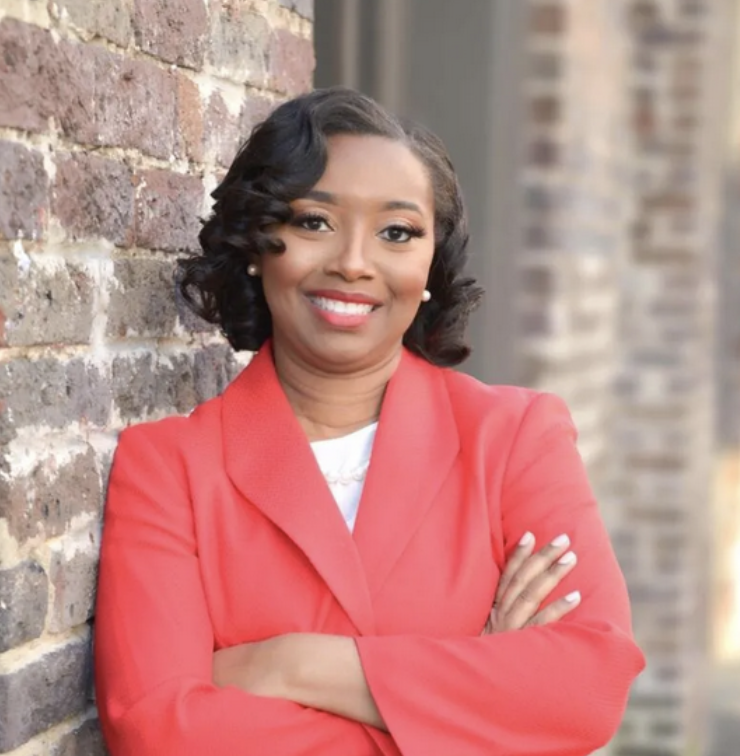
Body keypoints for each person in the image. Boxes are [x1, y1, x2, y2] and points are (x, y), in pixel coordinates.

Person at [94, 86, 645, 756]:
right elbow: (158, 733)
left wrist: (289, 665)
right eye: (314, 223)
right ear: (256, 245)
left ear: (430, 264)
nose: (354, 262)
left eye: (397, 233)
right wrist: (470, 707)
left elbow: (589, 688)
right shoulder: (169, 468)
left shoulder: (514, 437)